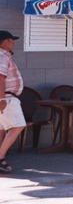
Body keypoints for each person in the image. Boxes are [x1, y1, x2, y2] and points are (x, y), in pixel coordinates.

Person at [0, 31, 25, 174]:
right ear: (4, 42)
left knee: (2, 127)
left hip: (5, 96)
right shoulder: (2, 56)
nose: (13, 43)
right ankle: (0, 157)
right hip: (7, 97)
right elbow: (0, 78)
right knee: (18, 125)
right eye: (11, 40)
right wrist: (2, 98)